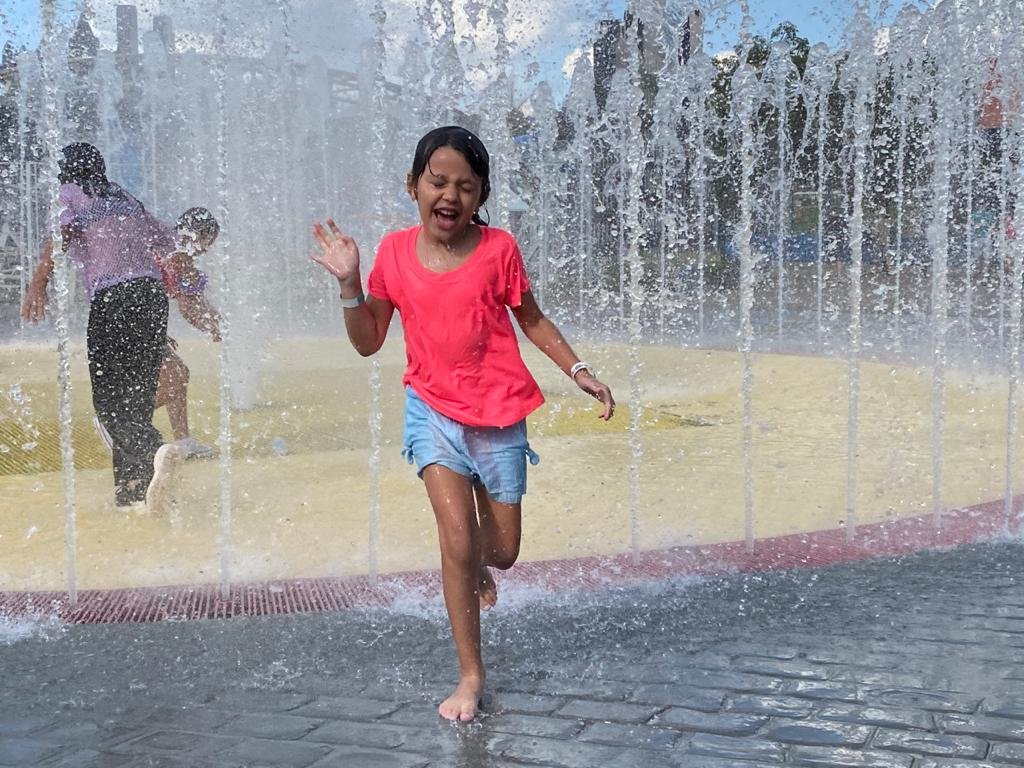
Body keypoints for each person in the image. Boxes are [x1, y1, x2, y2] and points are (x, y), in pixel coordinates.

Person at [311, 126, 615, 722]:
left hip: (498, 416)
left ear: (481, 196)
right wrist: (349, 285)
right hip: (432, 412)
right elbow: (369, 341)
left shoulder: (499, 249)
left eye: (466, 187)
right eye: (438, 182)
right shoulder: (394, 254)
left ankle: (479, 565)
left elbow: (532, 318)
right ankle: (471, 675)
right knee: (455, 540)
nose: (450, 195)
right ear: (414, 186)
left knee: (501, 551)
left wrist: (578, 370)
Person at [21, 142, 185, 512]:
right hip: (151, 296)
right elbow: (169, 242)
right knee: (138, 397)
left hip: (114, 297)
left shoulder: (70, 193)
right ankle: (134, 493)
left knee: (110, 402)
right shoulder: (126, 197)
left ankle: (155, 450)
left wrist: (38, 284)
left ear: (65, 171)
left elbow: (61, 236)